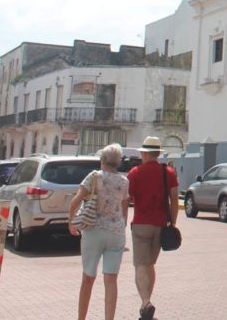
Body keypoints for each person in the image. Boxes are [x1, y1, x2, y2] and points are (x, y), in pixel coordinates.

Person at [67, 143, 129, 320]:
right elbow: (124, 209)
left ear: (102, 160)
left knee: (88, 278)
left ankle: (81, 318)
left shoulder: (94, 176)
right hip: (116, 233)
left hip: (94, 230)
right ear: (118, 162)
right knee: (111, 280)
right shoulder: (124, 181)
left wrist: (71, 221)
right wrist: (120, 226)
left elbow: (77, 200)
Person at [126, 136, 179, 320]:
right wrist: (173, 222)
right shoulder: (169, 173)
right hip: (160, 224)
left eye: (142, 153)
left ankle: (145, 302)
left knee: (140, 265)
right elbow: (174, 200)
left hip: (141, 223)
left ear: (147, 153)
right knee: (149, 265)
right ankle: (146, 307)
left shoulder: (134, 172)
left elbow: (128, 198)